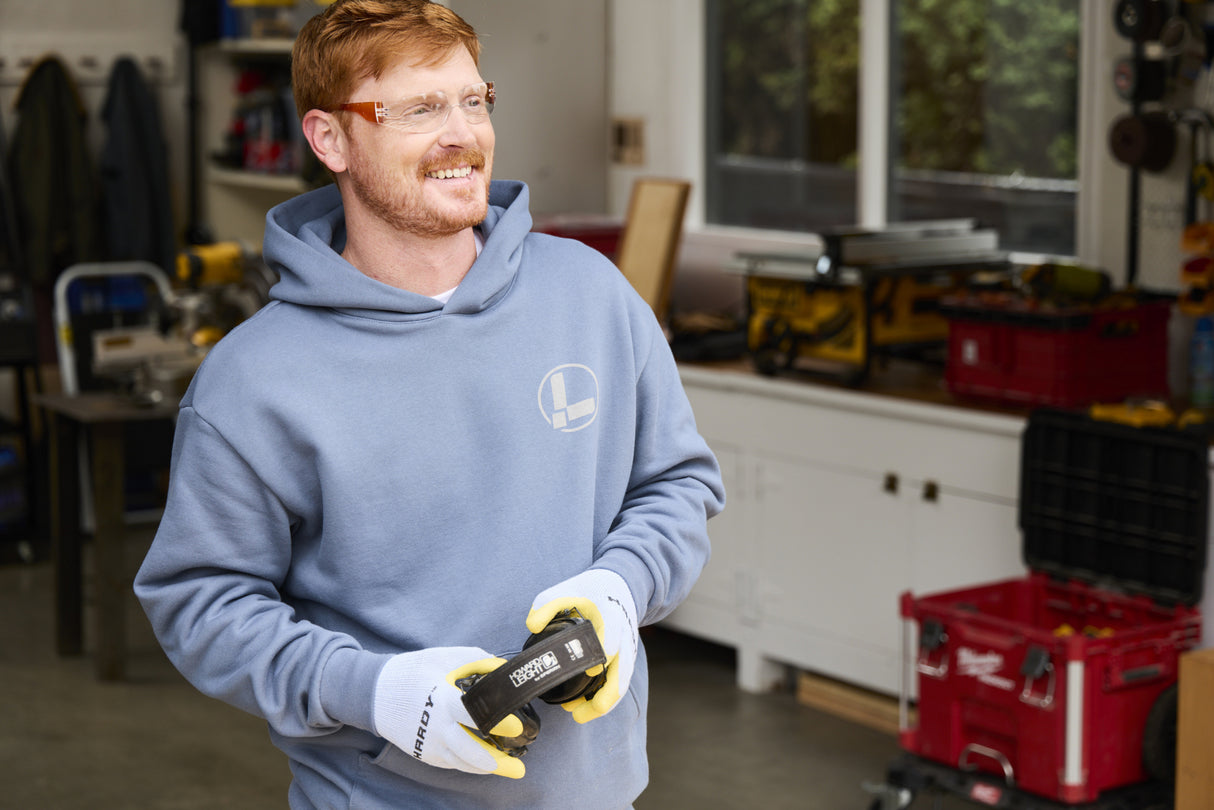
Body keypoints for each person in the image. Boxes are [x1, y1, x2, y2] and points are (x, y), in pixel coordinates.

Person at [133, 1, 724, 807]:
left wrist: (622, 590)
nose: (463, 134)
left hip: (598, 793)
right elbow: (202, 604)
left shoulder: (591, 295)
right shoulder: (253, 380)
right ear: (329, 138)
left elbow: (677, 486)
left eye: (474, 101)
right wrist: (373, 692)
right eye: (419, 108)